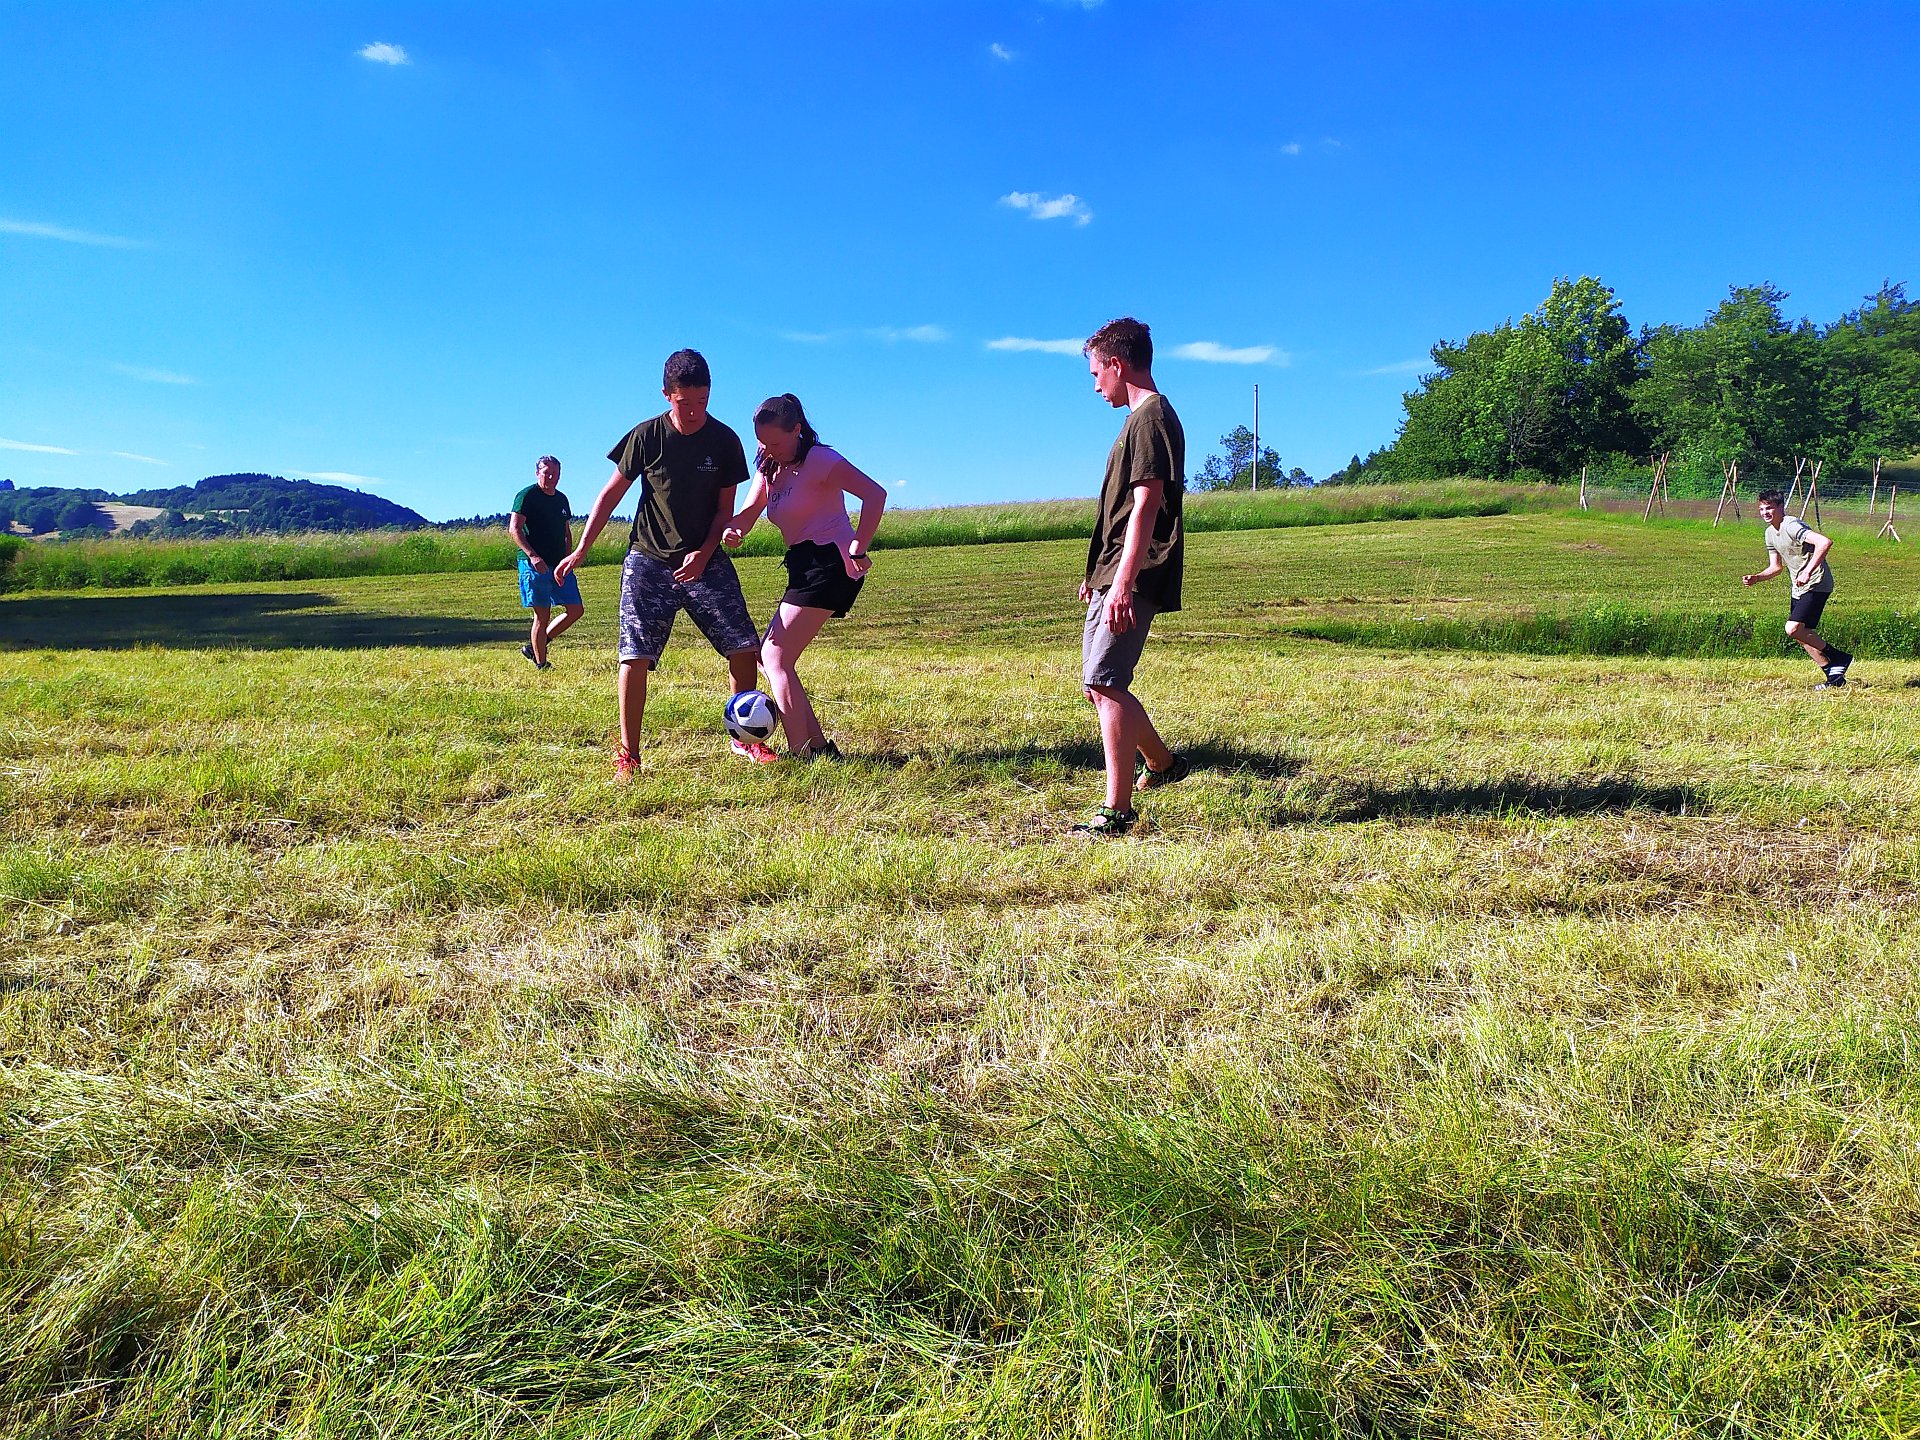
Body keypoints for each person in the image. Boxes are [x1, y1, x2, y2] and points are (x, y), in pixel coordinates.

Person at [554, 349, 769, 776]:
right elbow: (610, 495)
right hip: (648, 559)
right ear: (667, 394)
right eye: (684, 402)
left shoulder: (725, 441)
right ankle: (629, 755)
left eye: (702, 401)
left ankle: (745, 740)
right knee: (633, 655)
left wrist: (704, 553)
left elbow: (724, 510)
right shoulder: (646, 436)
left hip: (706, 557)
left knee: (744, 647)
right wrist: (582, 549)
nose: (693, 412)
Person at [720, 394, 887, 759]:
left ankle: (803, 753)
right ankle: (817, 748)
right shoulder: (769, 466)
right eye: (761, 442)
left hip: (831, 562)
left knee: (775, 656)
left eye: (775, 442)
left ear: (796, 430)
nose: (767, 449)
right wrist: (735, 529)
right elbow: (749, 511)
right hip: (803, 563)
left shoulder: (821, 460)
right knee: (771, 657)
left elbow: (875, 495)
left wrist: (859, 546)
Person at [1075, 317, 1189, 836]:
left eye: (1096, 373)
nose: (1095, 385)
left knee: (1106, 682)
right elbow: (1117, 510)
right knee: (1097, 685)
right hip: (1115, 569)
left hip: (1136, 570)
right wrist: (1098, 574)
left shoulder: (1151, 418)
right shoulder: (1138, 420)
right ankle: (1163, 764)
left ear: (1118, 365)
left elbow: (1146, 504)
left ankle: (1117, 810)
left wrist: (1123, 583)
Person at [1743, 489, 1853, 689]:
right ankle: (1834, 677)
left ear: (1780, 507)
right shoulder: (1769, 533)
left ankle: (1839, 657)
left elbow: (1824, 542)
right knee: (1801, 634)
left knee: (1792, 628)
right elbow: (1776, 567)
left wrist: (1808, 572)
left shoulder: (1791, 525)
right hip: (1799, 587)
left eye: (1769, 508)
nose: (1765, 512)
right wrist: (1757, 578)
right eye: (1761, 509)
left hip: (1817, 583)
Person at [507, 455, 584, 670]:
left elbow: (566, 532)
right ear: (537, 473)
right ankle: (541, 663)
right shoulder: (527, 496)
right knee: (542, 614)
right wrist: (533, 556)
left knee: (576, 609)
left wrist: (567, 559)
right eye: (546, 473)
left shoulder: (561, 499)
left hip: (558, 563)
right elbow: (514, 529)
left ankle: (535, 647)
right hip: (534, 565)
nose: (551, 477)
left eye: (555, 474)